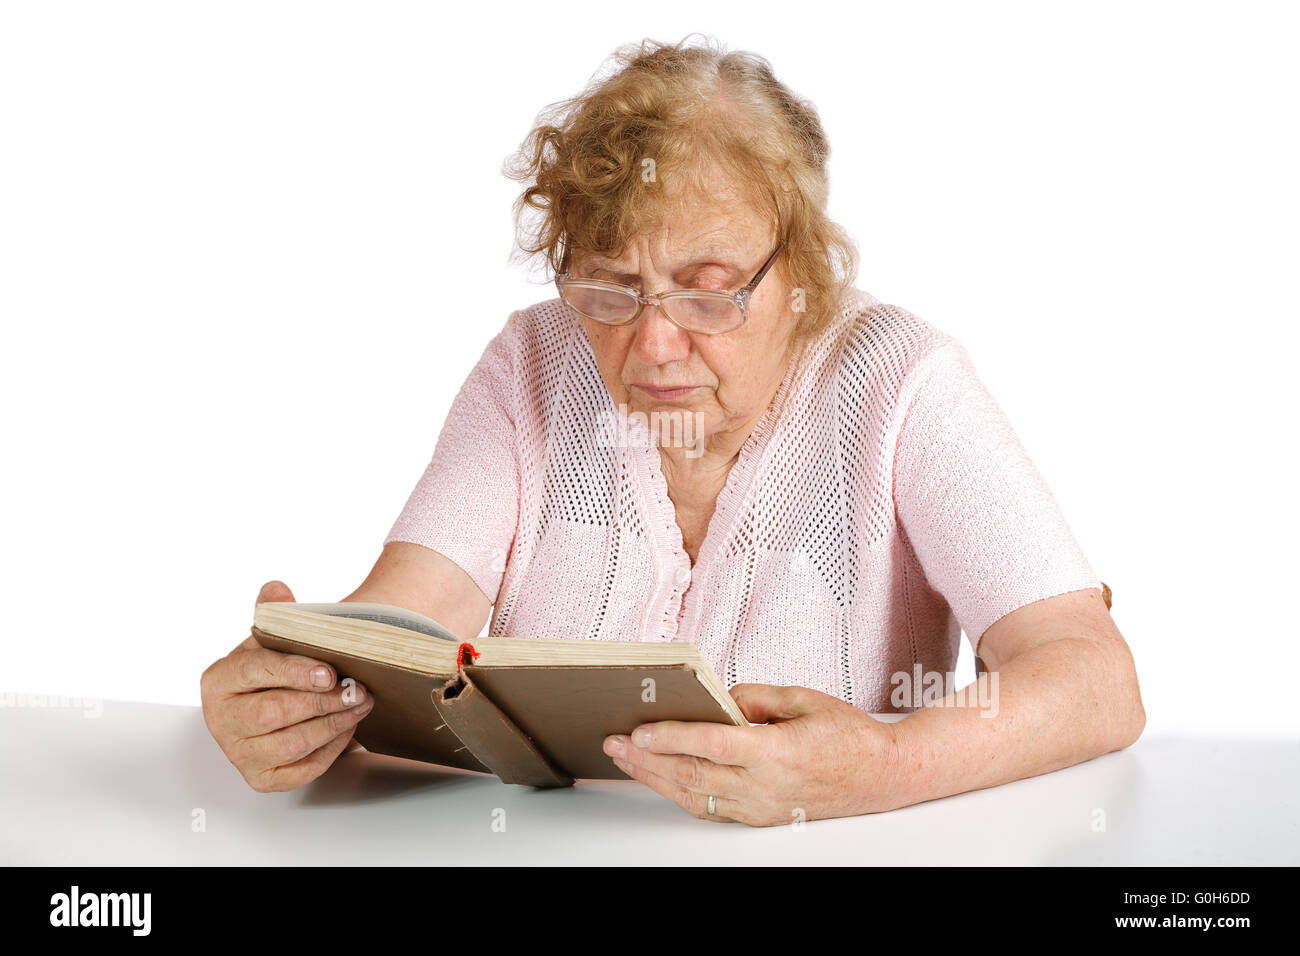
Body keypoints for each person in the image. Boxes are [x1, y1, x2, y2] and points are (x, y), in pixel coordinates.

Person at [201, 36, 1144, 826]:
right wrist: (297, 693)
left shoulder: (903, 378)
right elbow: (408, 620)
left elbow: (1095, 678)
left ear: (802, 272)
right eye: (611, 286)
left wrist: (883, 767)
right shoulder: (534, 361)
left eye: (707, 290)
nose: (654, 345)